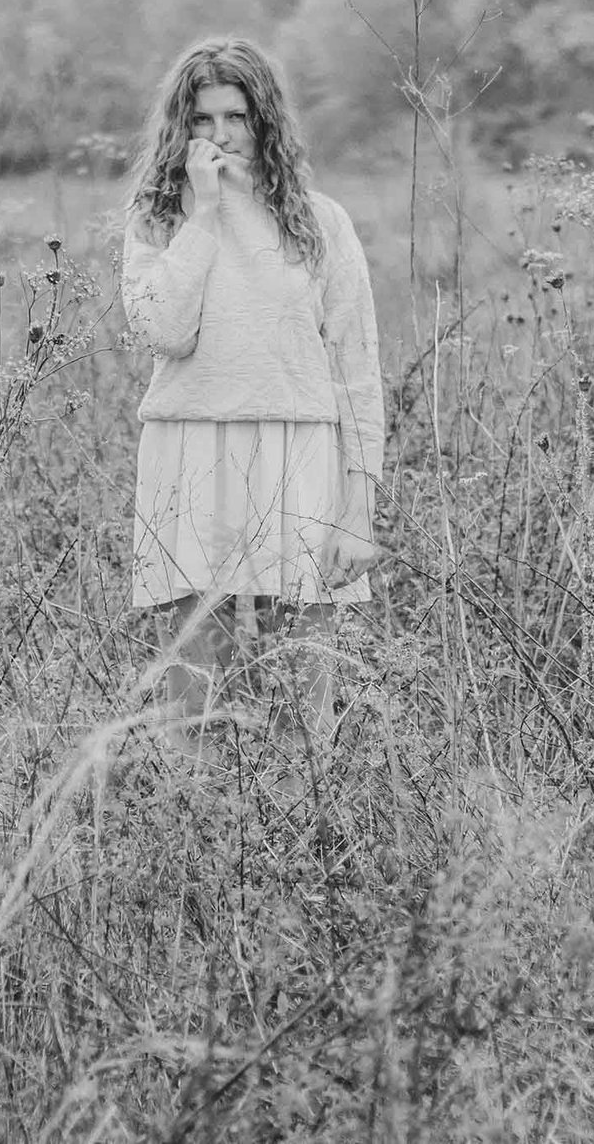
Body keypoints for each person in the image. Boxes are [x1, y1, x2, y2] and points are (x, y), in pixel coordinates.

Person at [120, 37, 384, 738]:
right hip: (190, 446)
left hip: (297, 448)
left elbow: (357, 369)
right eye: (201, 120)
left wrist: (359, 508)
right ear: (181, 127)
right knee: (194, 688)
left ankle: (306, 828)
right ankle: (202, 828)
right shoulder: (159, 218)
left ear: (264, 120)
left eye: (234, 116)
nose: (219, 136)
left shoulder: (319, 221)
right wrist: (203, 216)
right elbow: (165, 331)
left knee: (305, 679)